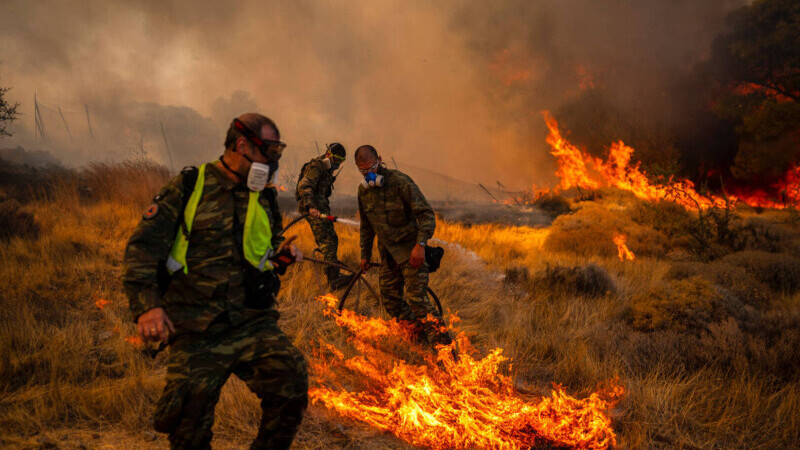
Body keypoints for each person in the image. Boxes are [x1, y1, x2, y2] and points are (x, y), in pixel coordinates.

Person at [123, 113, 308, 450]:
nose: (272, 163)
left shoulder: (264, 197)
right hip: (196, 328)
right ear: (241, 145)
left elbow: (264, 254)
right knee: (187, 427)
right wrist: (147, 308)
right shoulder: (190, 186)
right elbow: (143, 247)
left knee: (291, 385)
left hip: (252, 321)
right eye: (268, 153)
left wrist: (281, 257)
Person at [355, 144, 451, 347]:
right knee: (390, 300)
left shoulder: (400, 182)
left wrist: (420, 245)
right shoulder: (363, 193)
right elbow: (366, 227)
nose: (368, 174)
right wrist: (364, 254)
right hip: (388, 256)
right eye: (363, 171)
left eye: (371, 168)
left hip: (411, 252)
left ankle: (445, 350)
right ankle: (420, 339)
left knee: (418, 301)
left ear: (379, 160)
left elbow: (426, 215)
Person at [295, 143, 351, 289]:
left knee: (330, 238)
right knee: (328, 239)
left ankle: (333, 272)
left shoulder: (327, 170)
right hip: (313, 209)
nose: (337, 165)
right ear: (328, 155)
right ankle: (333, 280)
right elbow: (304, 185)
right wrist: (311, 207)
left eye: (340, 162)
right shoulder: (316, 167)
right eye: (336, 160)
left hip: (321, 209)